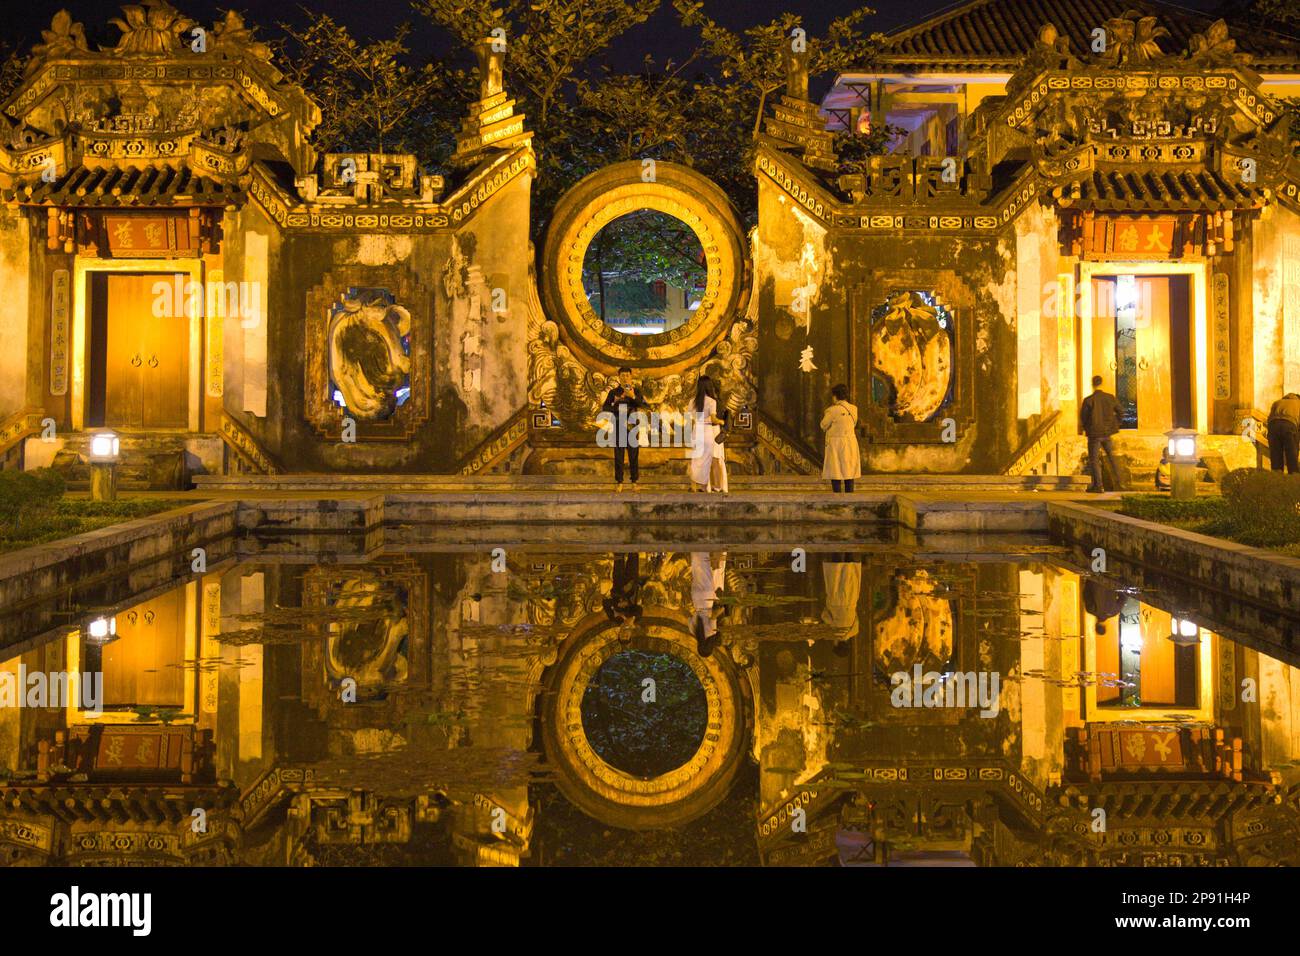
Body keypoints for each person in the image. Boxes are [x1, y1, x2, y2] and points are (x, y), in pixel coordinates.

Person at [601, 366, 645, 491]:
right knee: (619, 455)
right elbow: (605, 408)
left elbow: (642, 404)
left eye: (627, 375)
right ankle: (619, 482)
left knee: (633, 455)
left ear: (631, 377)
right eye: (622, 375)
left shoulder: (636, 390)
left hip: (632, 427)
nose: (625, 377)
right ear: (619, 377)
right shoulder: (613, 392)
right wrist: (616, 402)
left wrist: (632, 396)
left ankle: (634, 482)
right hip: (619, 425)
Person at [1079, 374, 1122, 493]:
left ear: (1092, 384)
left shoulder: (1089, 400)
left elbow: (1083, 417)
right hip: (1107, 432)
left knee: (1094, 460)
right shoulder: (1110, 398)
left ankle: (1098, 485)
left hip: (1094, 434)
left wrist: (1086, 428)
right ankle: (1120, 482)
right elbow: (1120, 411)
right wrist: (1116, 424)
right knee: (1111, 458)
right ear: (1102, 383)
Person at [689, 374, 728, 493]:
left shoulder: (692, 401)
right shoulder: (711, 401)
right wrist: (722, 421)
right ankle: (708, 486)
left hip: (696, 429)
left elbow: (691, 417)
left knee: (696, 459)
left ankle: (694, 486)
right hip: (707, 431)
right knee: (707, 459)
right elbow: (713, 419)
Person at [821, 384, 862, 492]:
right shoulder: (854, 409)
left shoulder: (831, 410)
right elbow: (854, 423)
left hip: (836, 444)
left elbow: (823, 425)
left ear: (835, 396)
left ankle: (837, 499)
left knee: (836, 472)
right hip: (850, 442)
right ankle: (850, 498)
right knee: (849, 472)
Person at [1267, 391, 1300, 474]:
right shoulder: (1298, 403)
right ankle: (1293, 478)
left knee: (1276, 455)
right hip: (1289, 425)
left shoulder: (1277, 402)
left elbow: (1269, 418)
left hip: (1273, 426)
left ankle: (1277, 479)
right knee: (1292, 454)